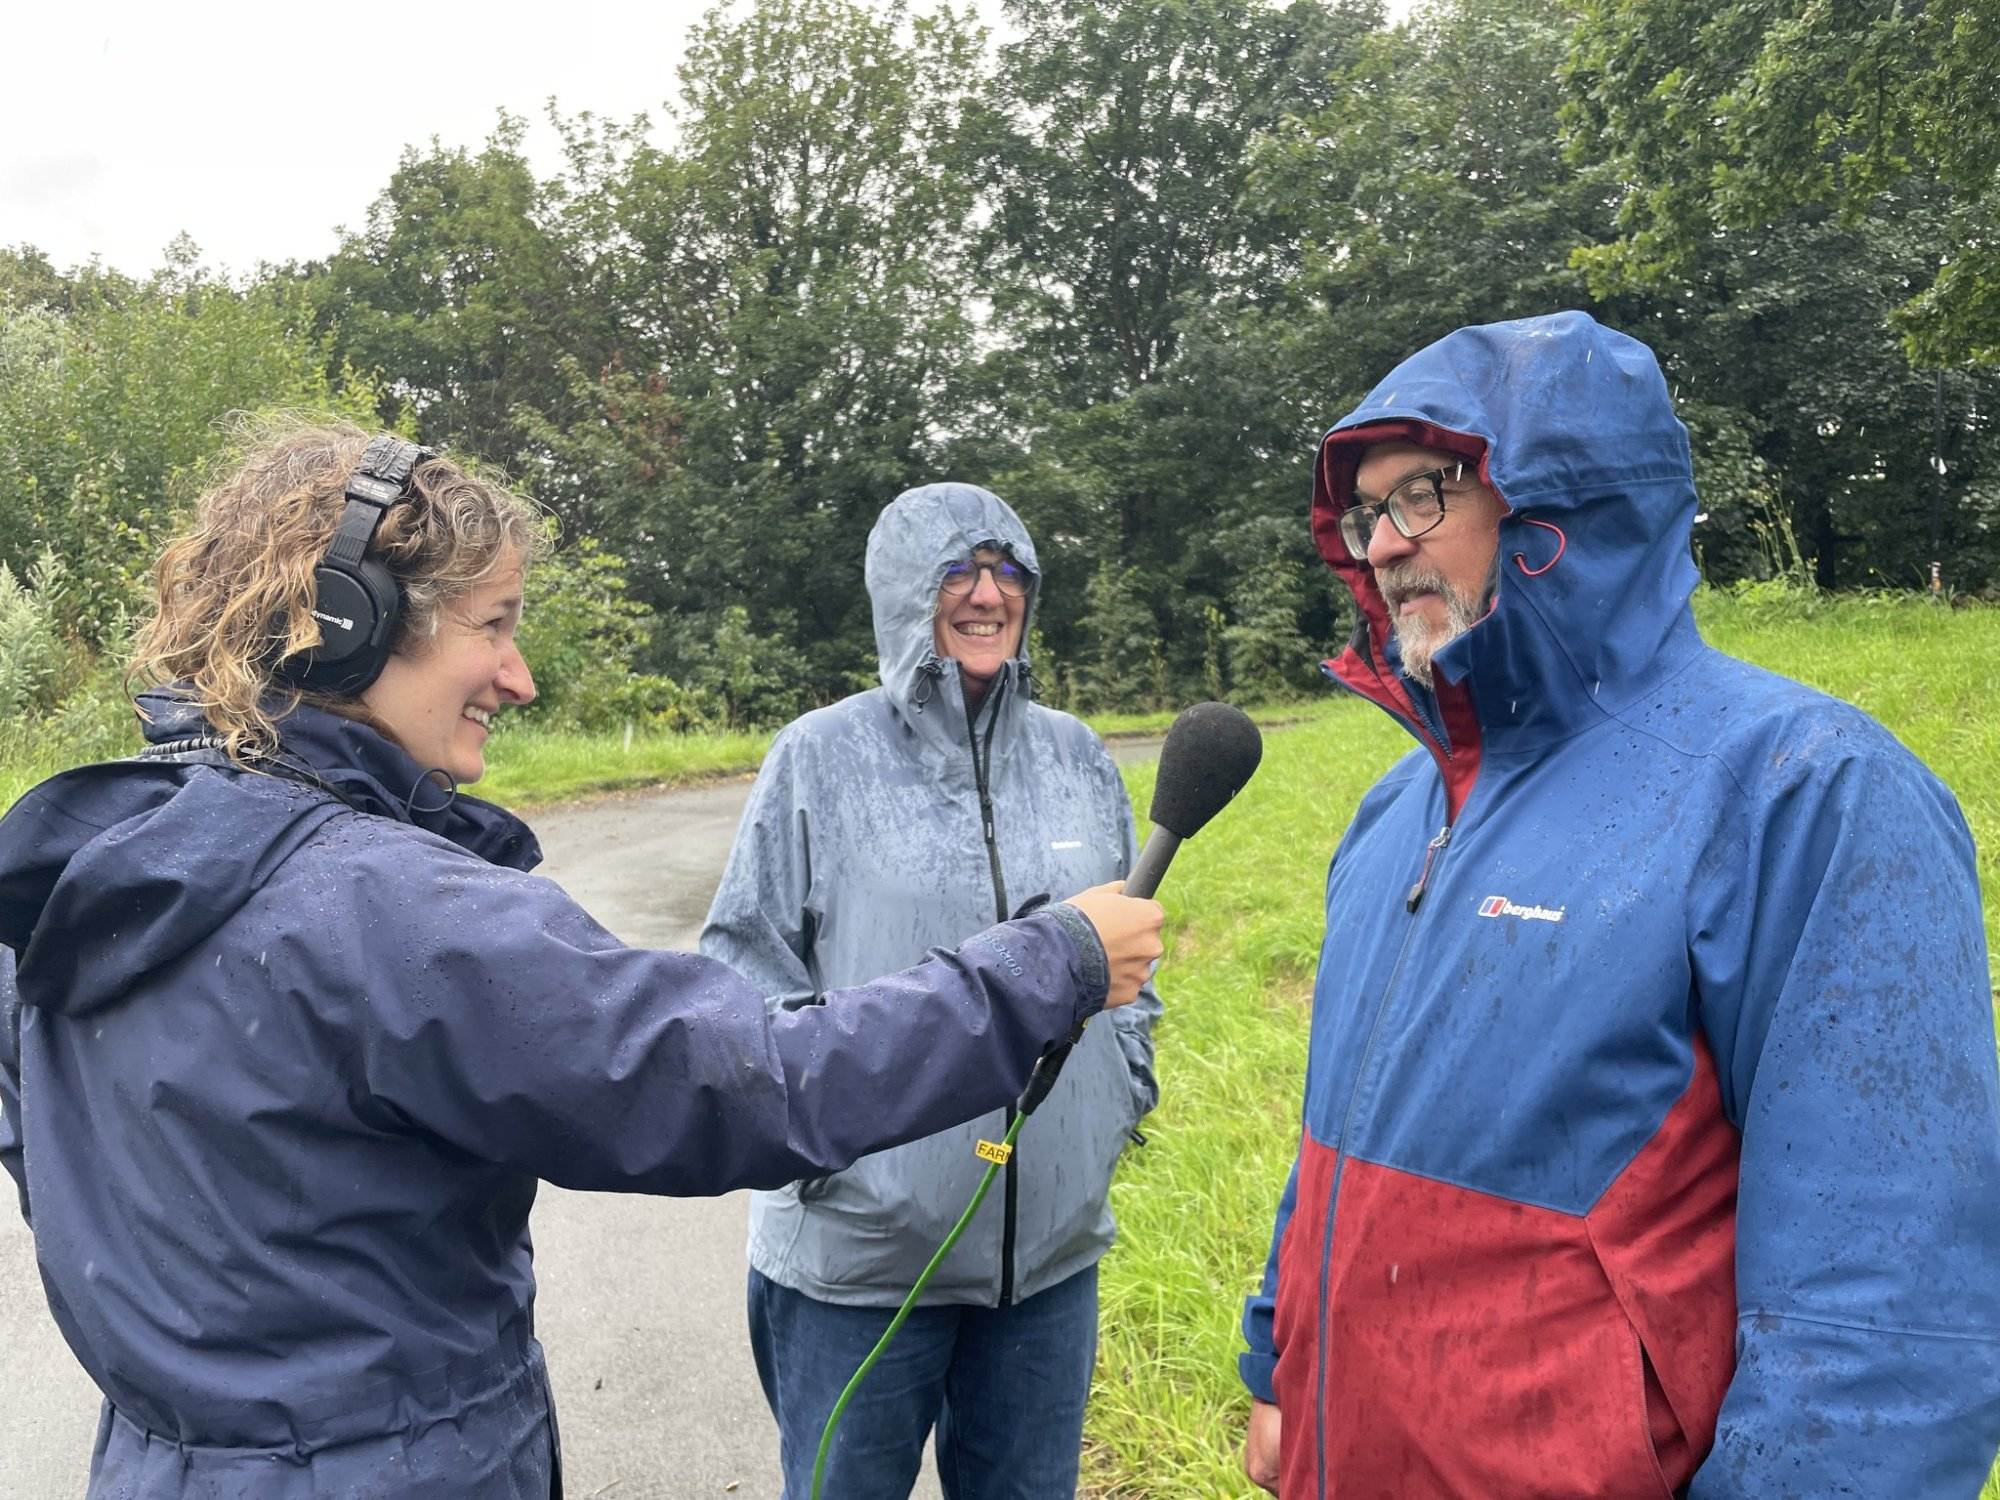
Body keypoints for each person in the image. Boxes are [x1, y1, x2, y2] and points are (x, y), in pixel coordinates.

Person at [0, 422, 1164, 1500]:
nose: (521, 677)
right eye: (495, 624)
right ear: (348, 620)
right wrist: (1044, 966)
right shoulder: (391, 909)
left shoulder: (83, 875)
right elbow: (738, 1078)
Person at [1237, 311, 2000, 1497]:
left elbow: (1885, 1308)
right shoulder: (1395, 811)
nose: (1383, 545)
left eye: (1423, 494)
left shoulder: (1801, 788)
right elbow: (1337, 1134)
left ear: (1557, 507)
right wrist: (1274, 1366)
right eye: (1362, 513)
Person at [700, 482, 1161, 1499]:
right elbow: (740, 975)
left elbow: (1135, 960)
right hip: (859, 1265)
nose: (986, 594)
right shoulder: (817, 760)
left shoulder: (1080, 759)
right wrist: (830, 1165)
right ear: (904, 592)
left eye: (1007, 570)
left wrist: (1118, 1102)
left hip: (1045, 1267)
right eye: (957, 567)